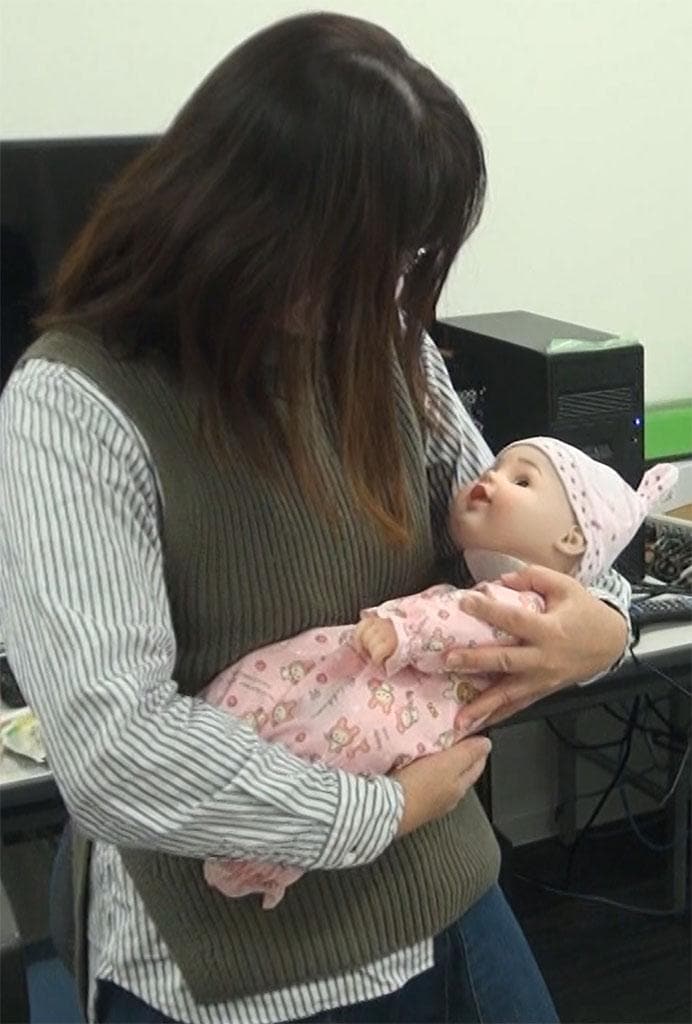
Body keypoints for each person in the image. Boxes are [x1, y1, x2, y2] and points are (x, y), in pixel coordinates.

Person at [0, 13, 632, 1024]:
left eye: (404, 255)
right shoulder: (76, 403)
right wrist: (376, 811)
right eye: (353, 256)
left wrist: (601, 625)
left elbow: (518, 556)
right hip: (243, 963)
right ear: (234, 216)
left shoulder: (383, 347)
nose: (382, 292)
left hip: (445, 898)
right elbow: (116, 752)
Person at [201, 440, 675, 909]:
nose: (488, 477)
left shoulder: (519, 602)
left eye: (521, 479)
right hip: (397, 719)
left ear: (572, 540)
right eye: (495, 466)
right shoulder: (496, 585)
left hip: (392, 711)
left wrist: (402, 629)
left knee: (324, 734)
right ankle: (254, 847)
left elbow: (462, 620)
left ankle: (252, 827)